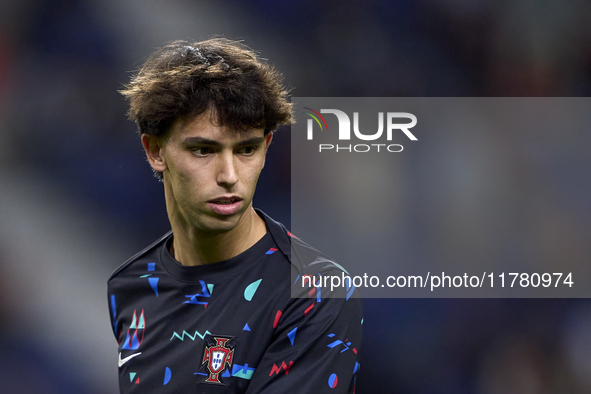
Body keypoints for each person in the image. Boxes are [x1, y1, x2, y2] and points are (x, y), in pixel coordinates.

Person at [108, 38, 362, 393]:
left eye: (246, 149)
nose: (229, 174)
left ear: (267, 147)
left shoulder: (314, 292)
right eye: (203, 150)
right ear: (155, 151)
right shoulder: (131, 286)